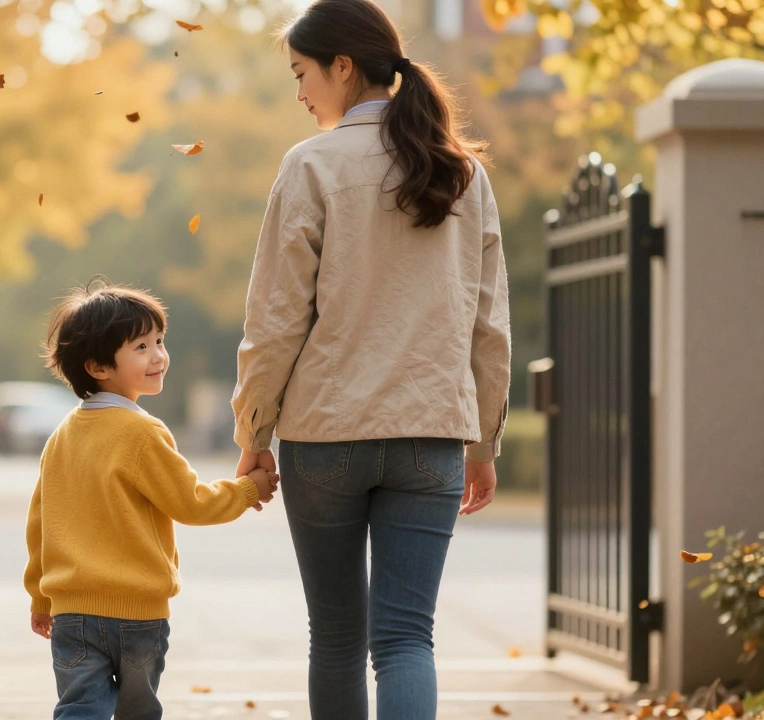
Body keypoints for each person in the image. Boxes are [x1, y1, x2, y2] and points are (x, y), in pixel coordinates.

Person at [231, 0, 513, 717]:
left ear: (343, 66)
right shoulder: (463, 176)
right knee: (406, 639)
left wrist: (254, 435)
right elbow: (489, 326)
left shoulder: (311, 166)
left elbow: (274, 324)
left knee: (334, 636)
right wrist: (482, 441)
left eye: (302, 74)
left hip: (325, 438)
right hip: (431, 438)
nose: (300, 93)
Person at [25, 279, 279, 720]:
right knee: (137, 711)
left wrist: (41, 597)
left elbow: (40, 525)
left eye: (159, 341)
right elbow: (191, 503)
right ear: (99, 366)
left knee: (79, 708)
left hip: (73, 614)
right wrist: (247, 490)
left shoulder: (61, 437)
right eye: (141, 347)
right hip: (138, 614)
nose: (158, 355)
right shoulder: (142, 433)